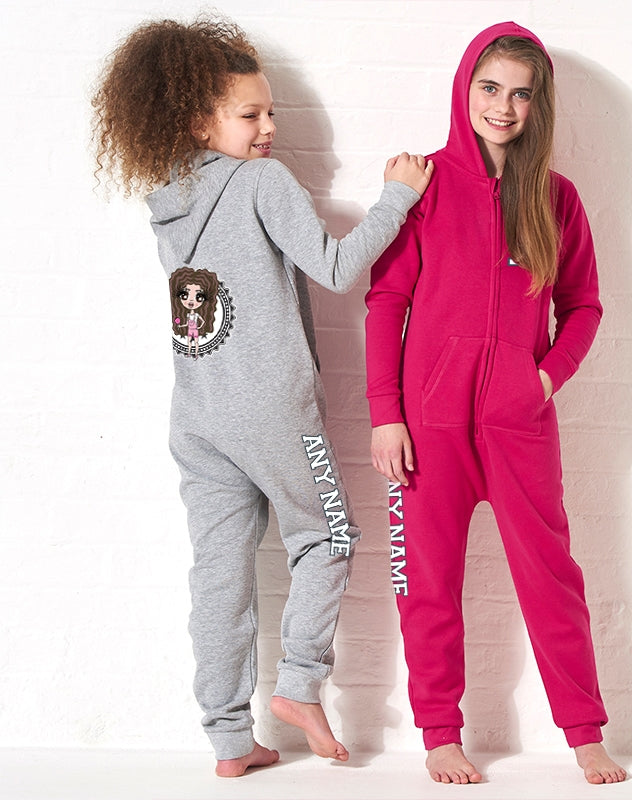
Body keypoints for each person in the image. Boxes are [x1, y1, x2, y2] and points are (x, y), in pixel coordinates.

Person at [92, 16, 432, 778]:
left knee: (219, 574)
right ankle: (301, 685)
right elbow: (334, 266)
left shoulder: (169, 200)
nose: (269, 127)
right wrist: (396, 199)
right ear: (199, 121)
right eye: (250, 115)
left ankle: (228, 738)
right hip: (273, 408)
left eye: (271, 111)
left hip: (198, 416)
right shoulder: (261, 183)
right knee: (329, 535)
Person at [366, 21, 626, 785]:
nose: (503, 107)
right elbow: (386, 302)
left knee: (551, 578)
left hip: (519, 426)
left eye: (520, 93)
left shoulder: (557, 199)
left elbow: (584, 307)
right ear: (465, 89)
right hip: (428, 427)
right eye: (490, 88)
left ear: (538, 103)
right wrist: (386, 412)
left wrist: (540, 381)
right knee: (427, 583)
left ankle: (585, 732)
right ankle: (440, 735)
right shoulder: (424, 185)